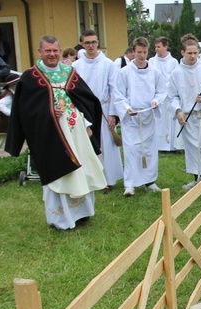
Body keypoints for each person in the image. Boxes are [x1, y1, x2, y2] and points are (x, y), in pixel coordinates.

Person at [5, 35, 107, 230]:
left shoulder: (70, 72)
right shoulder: (31, 77)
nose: (52, 54)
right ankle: (60, 218)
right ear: (40, 52)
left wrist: (86, 123)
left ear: (60, 52)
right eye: (47, 51)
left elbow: (86, 99)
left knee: (81, 168)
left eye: (55, 51)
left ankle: (82, 213)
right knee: (60, 173)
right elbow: (24, 111)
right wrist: (49, 111)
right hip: (49, 136)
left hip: (75, 132)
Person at [114, 37, 166, 197]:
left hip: (148, 114)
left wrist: (157, 101)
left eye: (144, 52)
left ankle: (150, 181)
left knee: (149, 150)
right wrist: (127, 108)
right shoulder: (124, 72)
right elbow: (118, 94)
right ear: (133, 52)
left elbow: (162, 91)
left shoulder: (155, 72)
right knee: (131, 150)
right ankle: (130, 184)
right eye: (138, 52)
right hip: (132, 117)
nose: (142, 55)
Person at [168, 36, 201, 194]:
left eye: (195, 53)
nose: (193, 56)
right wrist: (178, 111)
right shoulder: (176, 73)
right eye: (189, 53)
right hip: (188, 117)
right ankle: (197, 179)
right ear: (182, 52)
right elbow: (172, 96)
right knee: (193, 148)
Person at [72, 29, 123, 193]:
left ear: (98, 42)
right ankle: (89, 178)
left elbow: (115, 89)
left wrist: (113, 114)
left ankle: (107, 179)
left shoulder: (108, 64)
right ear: (82, 44)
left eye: (93, 42)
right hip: (83, 109)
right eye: (87, 43)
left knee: (106, 145)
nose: (91, 46)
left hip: (103, 107)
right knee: (85, 143)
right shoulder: (76, 66)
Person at [148, 36, 180, 153]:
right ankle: (159, 145)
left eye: (159, 46)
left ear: (165, 47)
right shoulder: (151, 61)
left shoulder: (173, 62)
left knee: (170, 121)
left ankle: (171, 145)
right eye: (155, 46)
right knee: (159, 121)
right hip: (157, 96)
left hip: (169, 96)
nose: (156, 49)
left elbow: (175, 78)